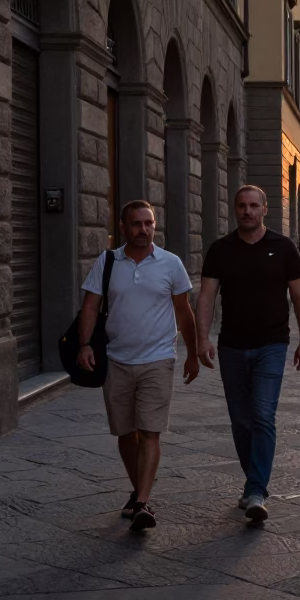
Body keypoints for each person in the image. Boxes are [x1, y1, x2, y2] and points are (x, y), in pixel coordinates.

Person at [76, 200, 197, 532]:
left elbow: (184, 311)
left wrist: (193, 352)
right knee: (125, 433)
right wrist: (85, 344)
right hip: (116, 359)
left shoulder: (170, 263)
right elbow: (90, 306)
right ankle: (138, 492)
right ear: (123, 228)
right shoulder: (108, 261)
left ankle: (142, 502)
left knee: (150, 431)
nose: (143, 230)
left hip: (158, 359)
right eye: (136, 224)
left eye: (149, 223)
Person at [196, 185, 300, 522]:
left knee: (263, 415)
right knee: (241, 421)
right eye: (241, 206)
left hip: (271, 345)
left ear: (264, 209)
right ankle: (255, 482)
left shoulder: (284, 247)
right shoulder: (220, 249)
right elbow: (206, 297)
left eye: (253, 206)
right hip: (232, 345)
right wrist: (202, 339)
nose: (247, 211)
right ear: (234, 210)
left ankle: (257, 490)